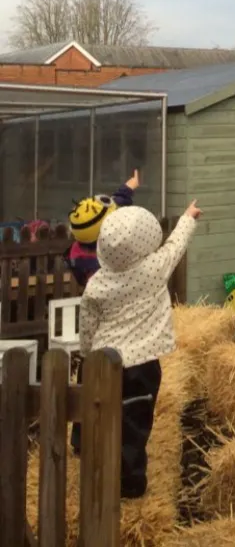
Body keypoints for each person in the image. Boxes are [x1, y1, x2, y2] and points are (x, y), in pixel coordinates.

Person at [79, 199, 201, 498]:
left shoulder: (96, 284)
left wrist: (85, 354)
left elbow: (87, 323)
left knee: (90, 408)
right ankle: (129, 486)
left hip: (101, 361)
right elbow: (175, 246)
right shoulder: (153, 270)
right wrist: (188, 216)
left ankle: (80, 445)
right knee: (133, 423)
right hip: (140, 366)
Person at [66, 194, 117, 457]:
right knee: (98, 383)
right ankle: (91, 437)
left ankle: (80, 439)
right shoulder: (98, 263)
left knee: (87, 379)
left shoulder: (76, 249)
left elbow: (103, 208)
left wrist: (126, 189)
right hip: (104, 326)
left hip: (94, 330)